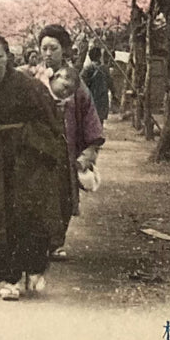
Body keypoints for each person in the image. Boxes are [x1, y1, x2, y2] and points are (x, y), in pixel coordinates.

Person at [0, 31, 72, 301]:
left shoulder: (28, 87)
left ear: (8, 58)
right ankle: (7, 276)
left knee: (30, 214)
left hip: (27, 159)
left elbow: (50, 123)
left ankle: (33, 268)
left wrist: (26, 138)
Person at [49, 62, 105, 261]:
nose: (48, 53)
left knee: (63, 197)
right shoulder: (33, 79)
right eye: (44, 48)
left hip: (66, 153)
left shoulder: (78, 87)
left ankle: (56, 243)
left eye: (53, 48)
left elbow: (90, 120)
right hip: (37, 153)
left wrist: (89, 152)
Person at [81, 44, 113, 122]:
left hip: (91, 97)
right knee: (100, 120)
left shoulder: (87, 68)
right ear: (99, 56)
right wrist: (114, 93)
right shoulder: (104, 69)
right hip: (102, 98)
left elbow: (81, 83)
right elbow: (110, 83)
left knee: (90, 121)